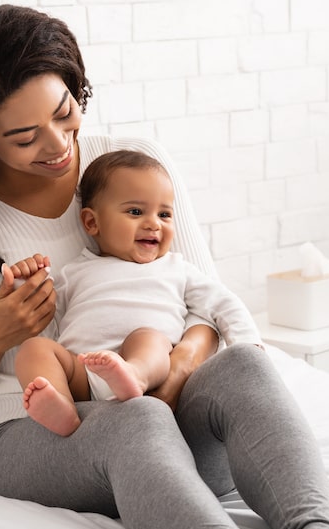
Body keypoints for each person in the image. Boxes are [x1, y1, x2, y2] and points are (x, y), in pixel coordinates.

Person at [0, 4, 329, 529]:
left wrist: (178, 369)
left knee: (246, 369)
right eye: (25, 137)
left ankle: (315, 527)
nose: (57, 144)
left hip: (169, 415)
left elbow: (203, 303)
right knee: (137, 420)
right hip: (40, 441)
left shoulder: (133, 161)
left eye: (64, 111)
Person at [14, 150, 265, 437]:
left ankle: (133, 375)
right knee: (34, 349)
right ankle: (60, 406)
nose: (153, 223)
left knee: (149, 338)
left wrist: (248, 345)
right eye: (135, 212)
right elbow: (44, 318)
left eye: (164, 214)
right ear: (92, 223)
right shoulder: (74, 271)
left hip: (152, 375)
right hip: (82, 373)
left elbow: (223, 304)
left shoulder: (176, 268)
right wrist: (25, 285)